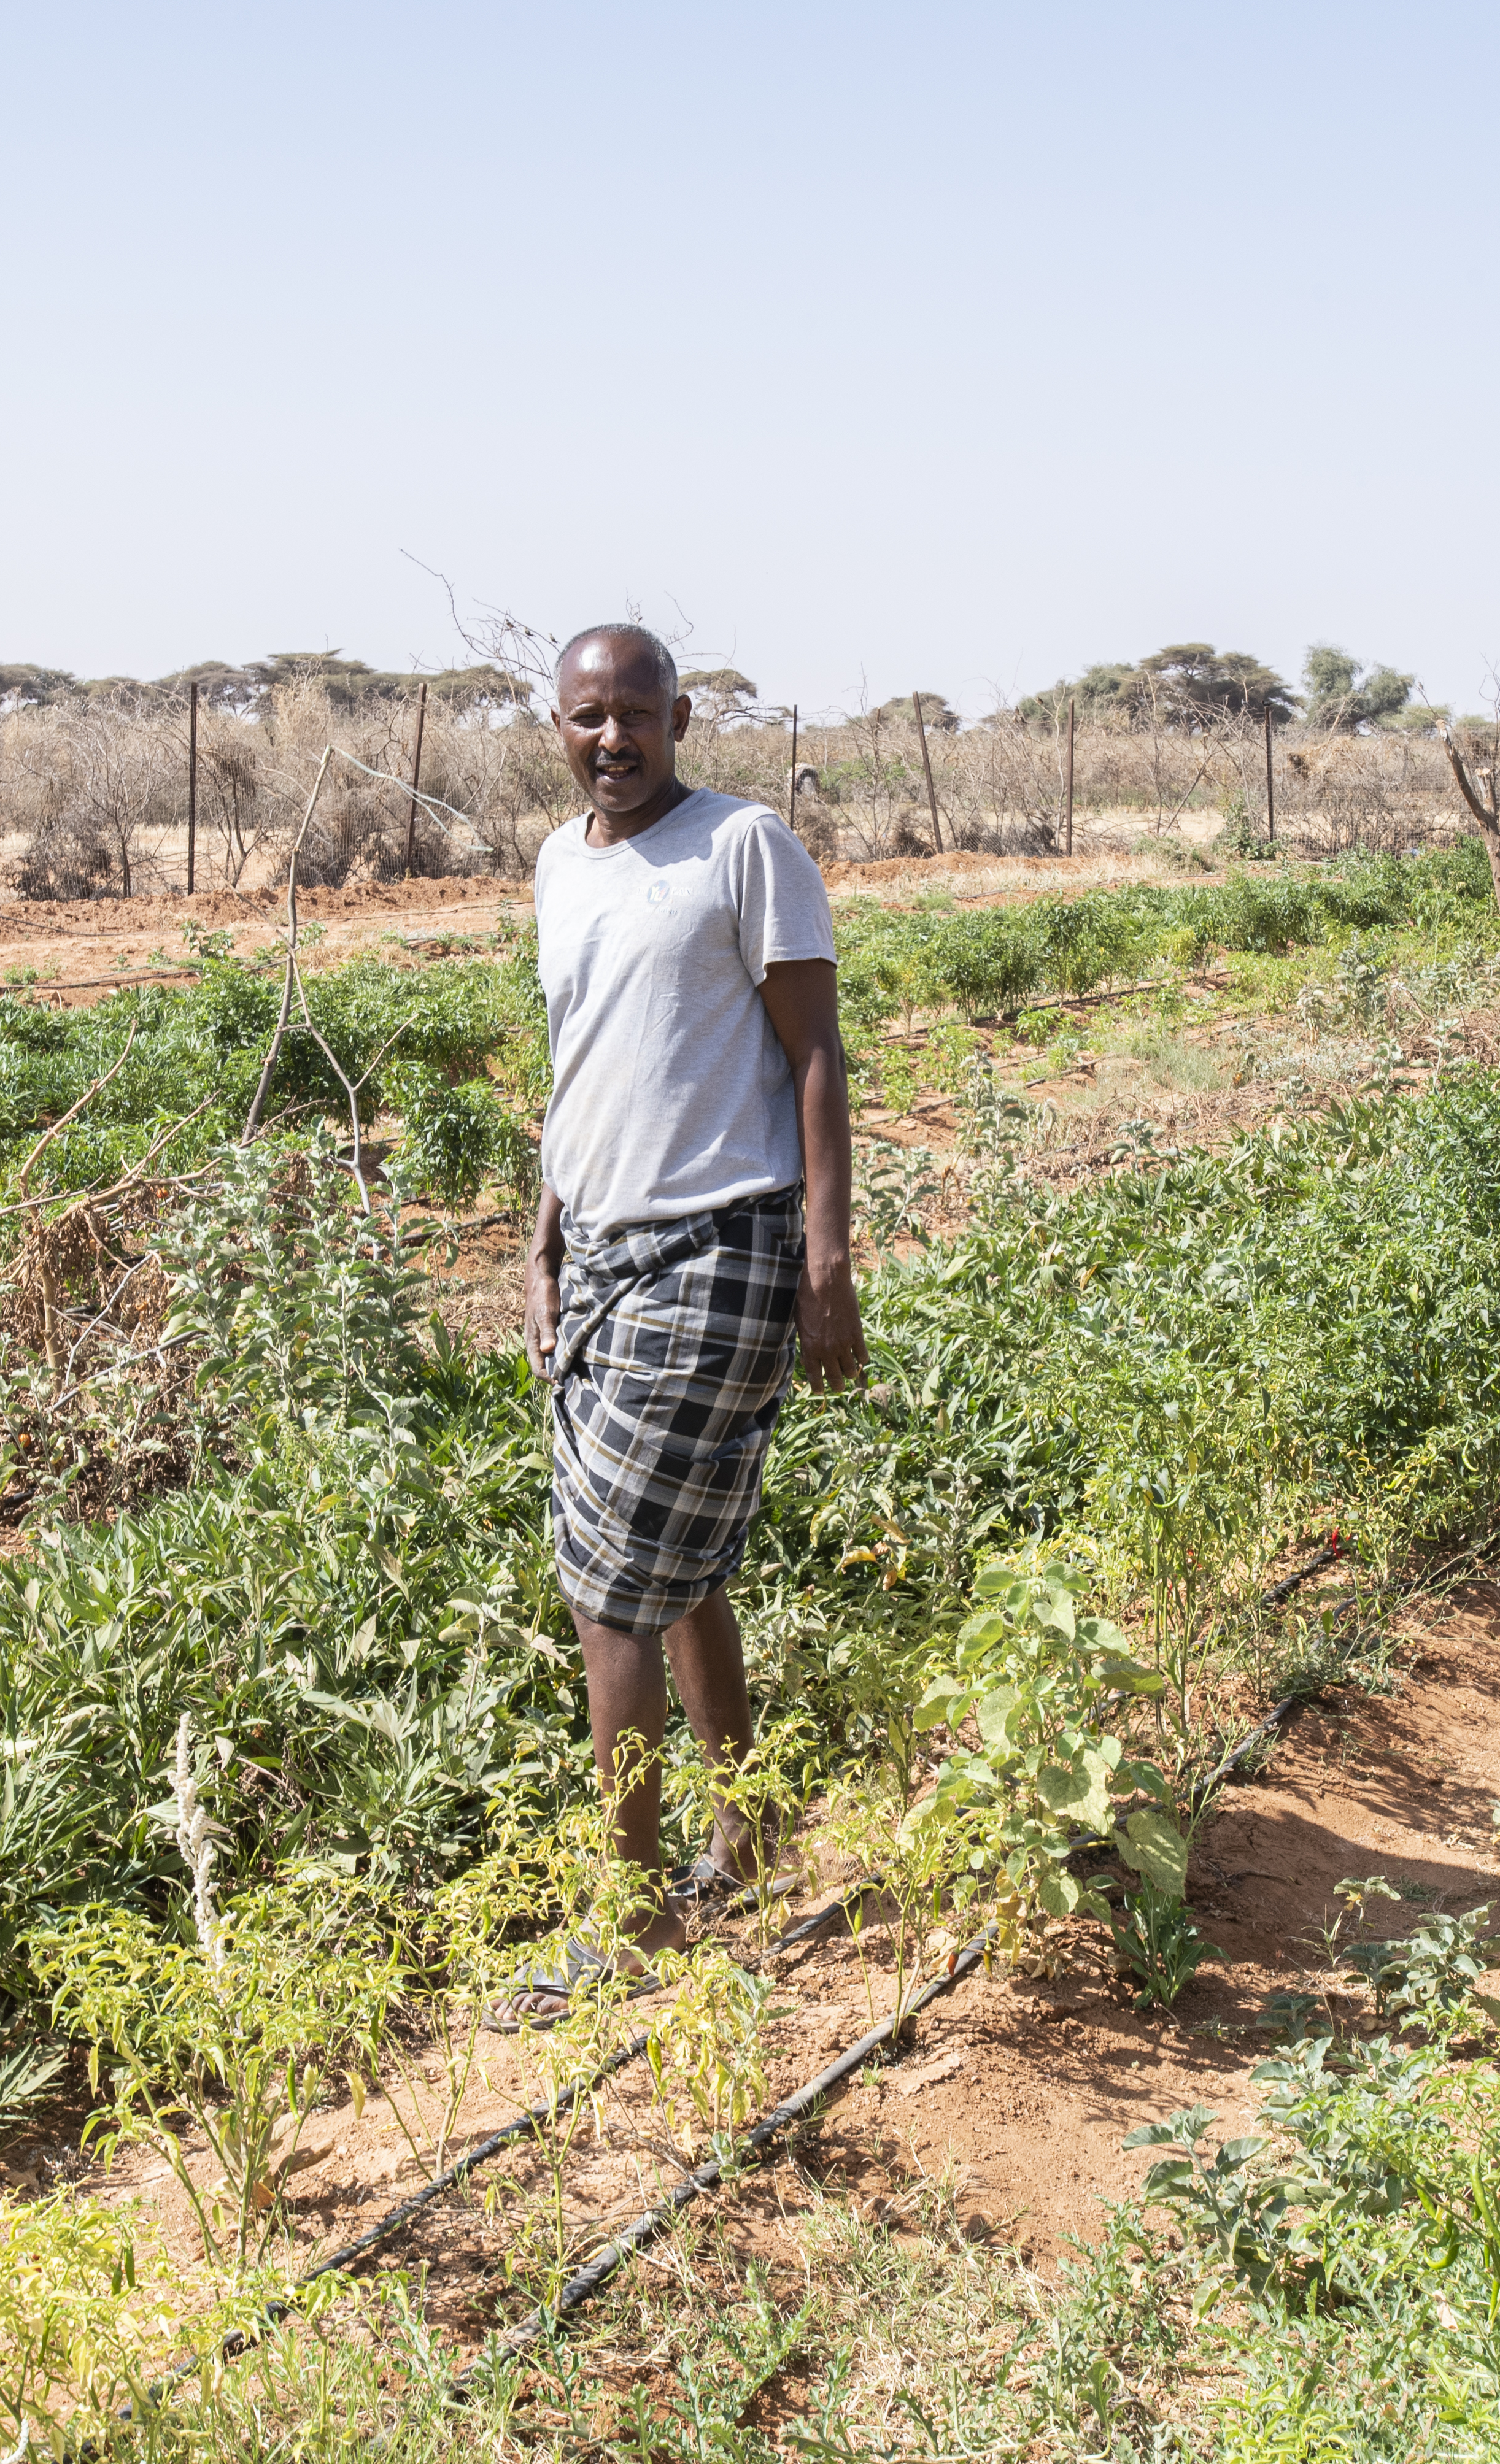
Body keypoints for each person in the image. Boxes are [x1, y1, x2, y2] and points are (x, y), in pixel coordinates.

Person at [490, 623, 865, 2030]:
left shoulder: (741, 846)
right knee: (682, 1556)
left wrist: (826, 1265)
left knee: (606, 1586)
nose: (611, 740)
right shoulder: (556, 862)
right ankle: (747, 1832)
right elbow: (577, 1067)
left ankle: (630, 1920)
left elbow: (816, 1055)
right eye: (587, 718)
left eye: (634, 716)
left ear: (679, 717)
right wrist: (539, 1238)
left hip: (721, 1247)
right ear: (558, 724)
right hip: (595, 1253)